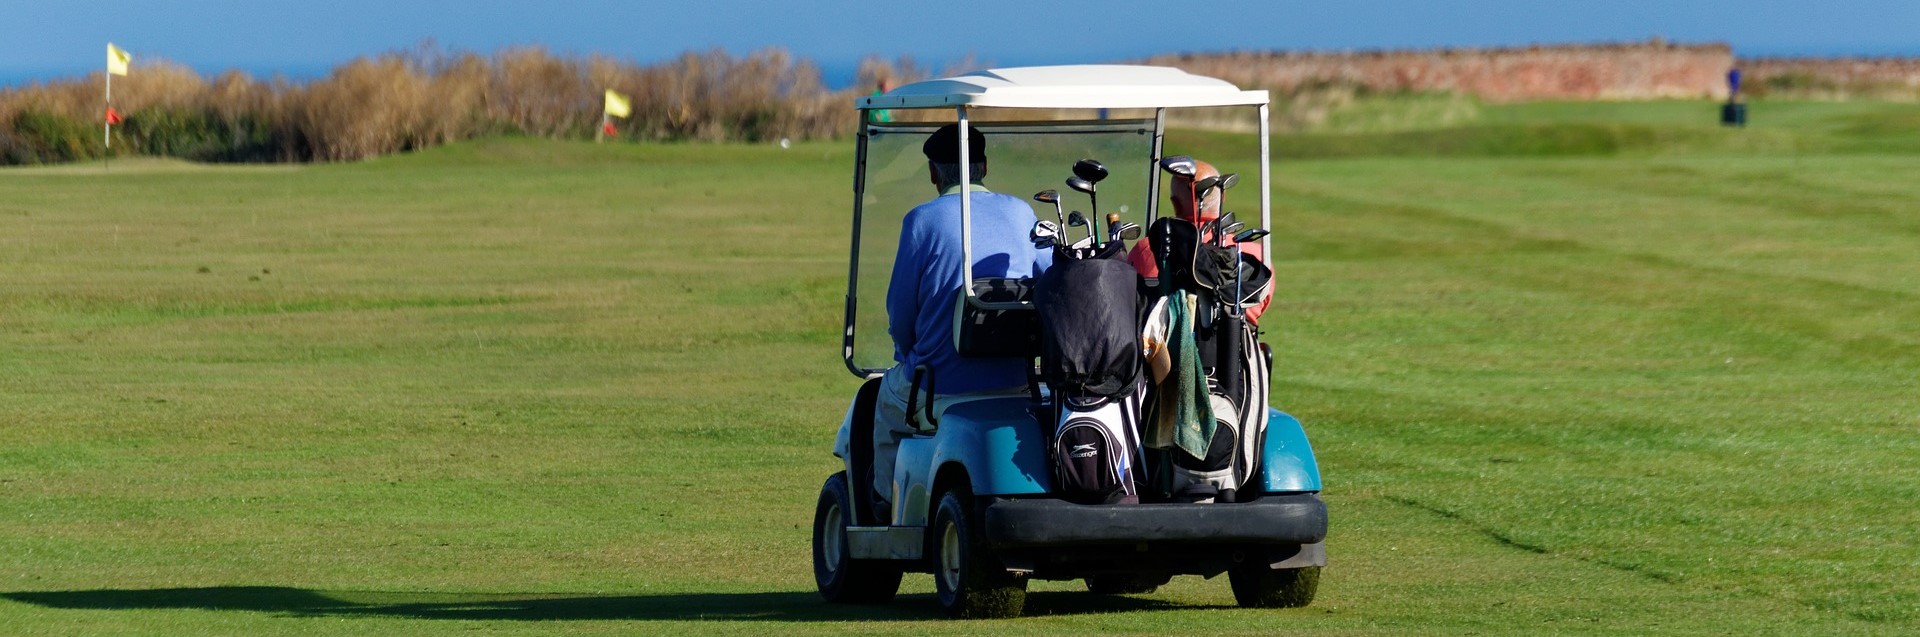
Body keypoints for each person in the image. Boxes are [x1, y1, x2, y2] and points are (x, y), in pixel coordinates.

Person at [868, 124, 1052, 520]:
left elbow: (900, 317)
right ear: (983, 166)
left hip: (942, 389)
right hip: (1018, 384)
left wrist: (907, 353)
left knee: (885, 400)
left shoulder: (922, 221)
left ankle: (884, 504)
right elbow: (1050, 283)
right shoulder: (1022, 213)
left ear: (934, 173)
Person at [1127, 158, 1271, 324]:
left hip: (1165, 346)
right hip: (1237, 344)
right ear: (1223, 196)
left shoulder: (1147, 247)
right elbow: (1260, 306)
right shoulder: (1256, 253)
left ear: (1175, 204)